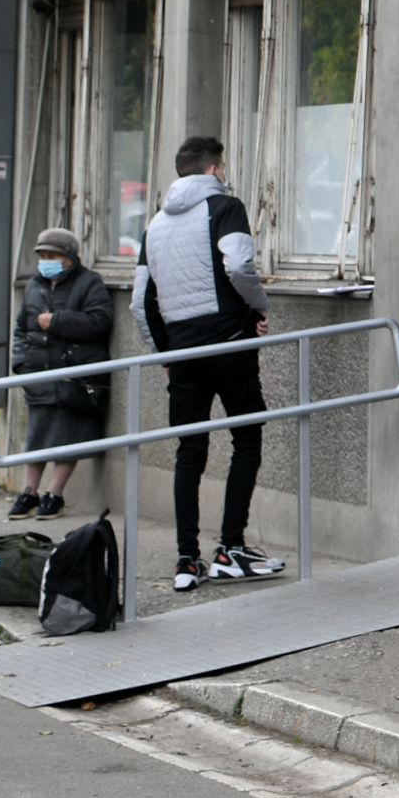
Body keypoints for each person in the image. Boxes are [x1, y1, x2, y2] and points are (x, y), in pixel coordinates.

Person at [144, 136, 288, 592]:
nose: (224, 173)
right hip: (229, 342)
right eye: (222, 166)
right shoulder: (225, 207)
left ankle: (188, 560)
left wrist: (165, 352)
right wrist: (259, 309)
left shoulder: (155, 225)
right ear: (212, 170)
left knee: (190, 452)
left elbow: (139, 302)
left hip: (183, 353)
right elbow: (240, 266)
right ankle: (232, 549)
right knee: (247, 436)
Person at [9, 225, 114, 519]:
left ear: (69, 258)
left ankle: (54, 494)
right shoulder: (34, 285)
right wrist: (21, 361)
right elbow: (21, 327)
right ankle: (28, 493)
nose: (46, 261)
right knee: (37, 437)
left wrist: (57, 321)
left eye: (52, 255)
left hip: (73, 376)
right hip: (39, 372)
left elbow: (99, 321)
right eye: (43, 255)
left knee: (68, 436)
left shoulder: (90, 283)